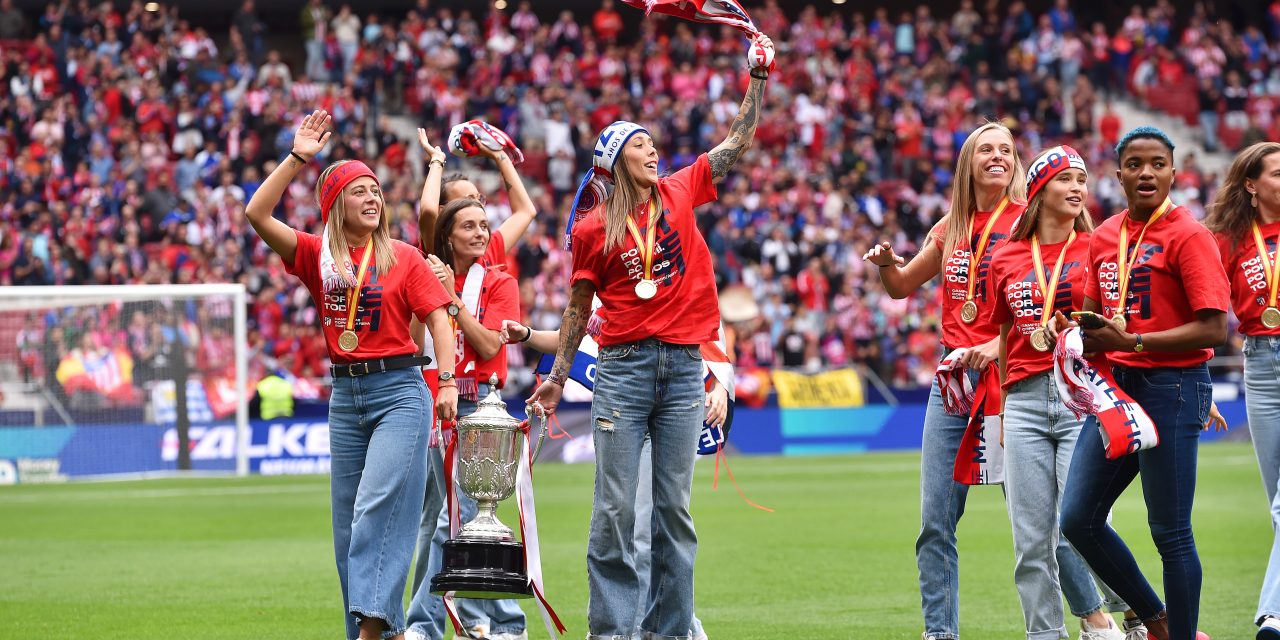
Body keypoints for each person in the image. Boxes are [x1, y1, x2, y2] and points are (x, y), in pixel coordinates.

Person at [526, 34, 773, 640]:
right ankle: (611, 632)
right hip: (625, 370)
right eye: (639, 142)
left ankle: (668, 632)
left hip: (684, 368)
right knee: (614, 512)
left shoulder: (681, 190)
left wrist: (759, 77)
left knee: (674, 514)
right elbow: (578, 309)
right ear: (614, 161)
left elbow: (736, 143)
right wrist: (558, 378)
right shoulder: (589, 230)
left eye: (652, 141)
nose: (652, 148)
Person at [243, 109, 458, 640]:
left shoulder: (404, 257)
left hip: (401, 392)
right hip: (346, 396)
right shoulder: (318, 256)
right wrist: (298, 158)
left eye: (376, 191)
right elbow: (257, 213)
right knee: (347, 533)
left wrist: (448, 380)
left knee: (373, 508)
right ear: (336, 204)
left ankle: (370, 632)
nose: (373, 198)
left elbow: (437, 316)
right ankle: (379, 632)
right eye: (359, 190)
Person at [1057, 126, 1229, 640]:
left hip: (1173, 388)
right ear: (1119, 174)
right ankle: (1156, 620)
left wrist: (1130, 341)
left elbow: (1214, 328)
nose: (1146, 172)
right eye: (1135, 164)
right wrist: (1068, 335)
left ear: (1174, 172)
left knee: (1170, 533)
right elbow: (1092, 320)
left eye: (1157, 163)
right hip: (1119, 390)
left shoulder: (1189, 235)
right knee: (1078, 519)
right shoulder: (1106, 234)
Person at [863, 122, 1027, 640]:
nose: (996, 156)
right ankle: (940, 633)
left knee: (1037, 523)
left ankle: (1100, 616)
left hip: (1014, 383)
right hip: (953, 385)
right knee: (935, 523)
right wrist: (887, 265)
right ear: (968, 163)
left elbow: (1048, 309)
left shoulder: (1030, 222)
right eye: (986, 149)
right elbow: (902, 286)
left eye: (1006, 149)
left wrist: (998, 347)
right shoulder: (950, 226)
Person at [501, 312, 731, 640]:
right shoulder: (606, 278)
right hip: (624, 397)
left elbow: (709, 329)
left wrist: (720, 385)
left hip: (674, 393)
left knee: (658, 519)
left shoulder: (677, 270)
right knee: (626, 517)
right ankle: (660, 627)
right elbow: (571, 333)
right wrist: (526, 334)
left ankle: (659, 627)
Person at [986, 146, 1132, 640]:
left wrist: (1079, 330)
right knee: (1030, 541)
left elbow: (1121, 325)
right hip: (1024, 401)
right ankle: (1044, 635)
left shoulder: (1099, 247)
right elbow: (1005, 335)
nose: (1077, 188)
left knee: (1079, 526)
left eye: (1082, 180)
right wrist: (1004, 408)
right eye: (1065, 179)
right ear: (1038, 190)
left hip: (1083, 397)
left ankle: (1135, 614)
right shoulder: (1005, 256)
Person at [406, 196, 524, 640]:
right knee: (457, 518)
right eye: (469, 226)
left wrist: (451, 299)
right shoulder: (425, 275)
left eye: (484, 224)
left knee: (464, 518)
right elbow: (416, 340)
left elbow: (492, 347)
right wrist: (431, 293)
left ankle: (432, 624)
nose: (480, 233)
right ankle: (487, 622)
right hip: (440, 404)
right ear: (448, 236)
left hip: (482, 410)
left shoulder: (499, 282)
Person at [1203, 141, 1280, 640]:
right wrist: (1200, 379)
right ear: (1251, 185)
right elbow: (1203, 311)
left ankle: (1272, 615)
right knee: (1278, 503)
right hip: (1260, 365)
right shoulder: (1228, 240)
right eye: (1277, 172)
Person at [416, 127, 538, 267]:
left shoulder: (487, 249)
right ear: (442, 212)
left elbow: (526, 212)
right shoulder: (438, 248)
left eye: (478, 199)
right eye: (468, 200)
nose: (477, 205)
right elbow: (428, 211)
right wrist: (437, 160)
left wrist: (499, 156)